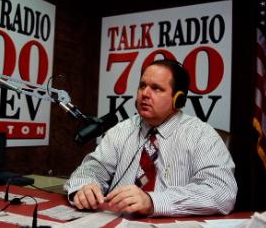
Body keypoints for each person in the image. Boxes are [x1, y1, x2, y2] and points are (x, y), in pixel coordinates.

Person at [64, 59, 237, 216]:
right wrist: (83, 187)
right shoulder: (122, 130)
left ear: (178, 99)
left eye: (156, 88)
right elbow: (93, 169)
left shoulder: (201, 135)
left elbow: (221, 191)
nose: (145, 94)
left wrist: (153, 201)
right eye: (142, 86)